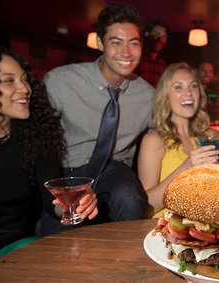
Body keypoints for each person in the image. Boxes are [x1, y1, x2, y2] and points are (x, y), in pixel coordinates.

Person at [0, 44, 97, 278]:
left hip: (18, 243)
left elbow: (51, 201)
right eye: (9, 81)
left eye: (25, 79)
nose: (25, 88)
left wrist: (72, 205)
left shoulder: (37, 138)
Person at [41, 4, 154, 235]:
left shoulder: (148, 96)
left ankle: (128, 263)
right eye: (116, 42)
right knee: (54, 232)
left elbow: (175, 128)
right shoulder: (61, 82)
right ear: (100, 43)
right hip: (68, 170)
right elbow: (38, 139)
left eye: (134, 43)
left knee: (129, 196)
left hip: (114, 168)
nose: (127, 52)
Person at [137, 63, 219, 216]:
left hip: (201, 226)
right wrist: (186, 167)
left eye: (193, 86)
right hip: (166, 229)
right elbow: (147, 207)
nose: (188, 93)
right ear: (166, 96)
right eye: (178, 87)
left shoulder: (205, 135)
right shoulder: (154, 140)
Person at [135, 20, 169, 87]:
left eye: (164, 36)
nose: (160, 39)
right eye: (157, 34)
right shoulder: (136, 58)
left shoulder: (163, 63)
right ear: (147, 34)